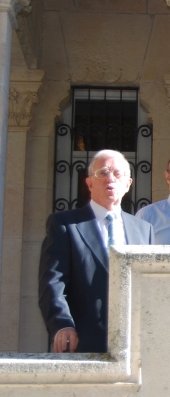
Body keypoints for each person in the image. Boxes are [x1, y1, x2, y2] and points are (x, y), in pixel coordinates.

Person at [38, 149, 154, 353]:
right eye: (103, 173)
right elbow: (53, 282)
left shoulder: (144, 229)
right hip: (83, 340)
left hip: (135, 343)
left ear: (128, 184)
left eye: (117, 174)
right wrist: (62, 325)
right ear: (89, 183)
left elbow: (150, 287)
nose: (110, 178)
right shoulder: (65, 225)